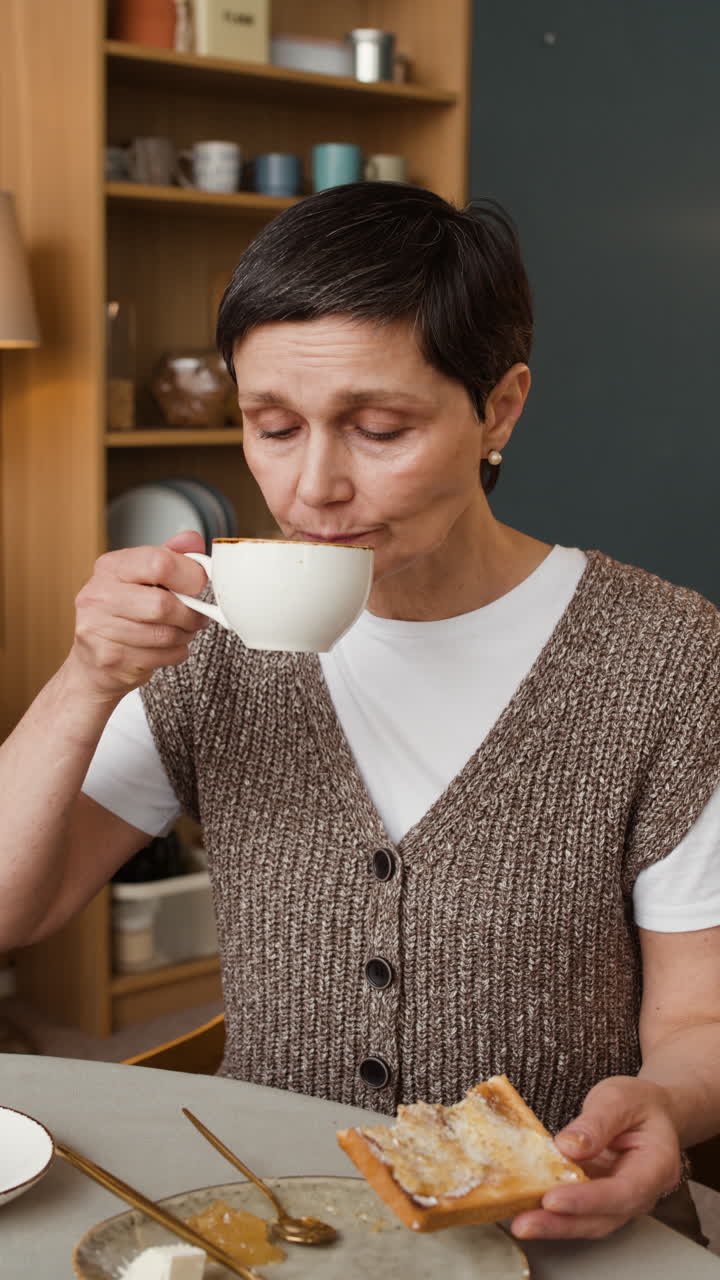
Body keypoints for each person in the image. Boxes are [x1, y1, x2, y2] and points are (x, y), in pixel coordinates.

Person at [1, 183, 719, 1246]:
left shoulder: (666, 659)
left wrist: (668, 1103)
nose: (312, 487)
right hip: (282, 1226)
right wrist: (84, 679)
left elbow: (697, 1015)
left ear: (501, 407)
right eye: (272, 426)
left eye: (378, 428)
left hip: (555, 1235)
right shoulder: (213, 644)